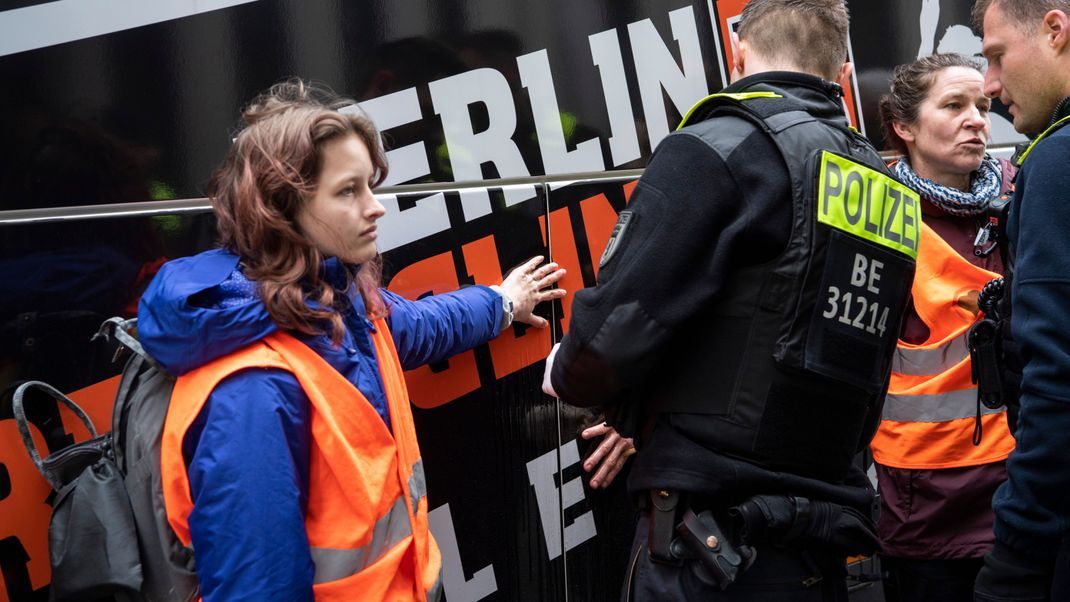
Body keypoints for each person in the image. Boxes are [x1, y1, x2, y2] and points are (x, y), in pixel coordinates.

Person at [543, 0, 920, 599]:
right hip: (823, 543)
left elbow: (609, 338)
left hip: (710, 547)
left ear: (738, 52)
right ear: (842, 73)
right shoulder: (878, 178)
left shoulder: (721, 145)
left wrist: (569, 369)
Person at [135, 80, 566, 601]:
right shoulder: (252, 388)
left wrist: (502, 302)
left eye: (370, 185)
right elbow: (260, 586)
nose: (376, 206)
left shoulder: (338, 300)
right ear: (281, 207)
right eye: (348, 191)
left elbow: (416, 326)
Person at [871, 53, 1016, 602]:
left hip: (1019, 485)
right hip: (924, 500)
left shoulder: (1018, 196)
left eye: (981, 105)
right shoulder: (874, 215)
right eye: (954, 105)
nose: (978, 118)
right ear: (904, 127)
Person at [970, 1, 1070, 600]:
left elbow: (1059, 386)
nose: (991, 85)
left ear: (1056, 30)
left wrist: (1018, 556)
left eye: (997, 56)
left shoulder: (1056, 161)